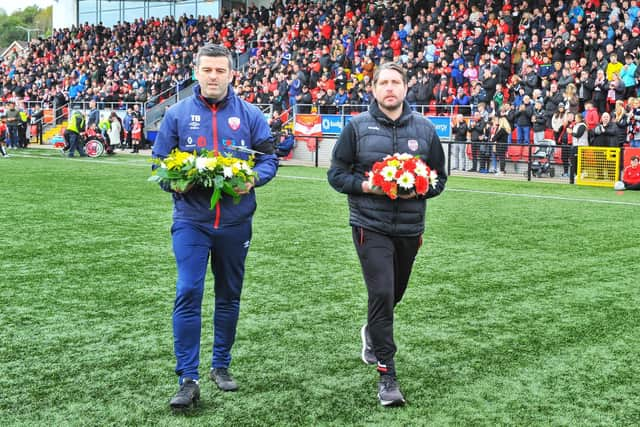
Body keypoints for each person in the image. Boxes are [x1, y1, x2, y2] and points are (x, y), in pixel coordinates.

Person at [152, 44, 278, 411]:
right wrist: (171, 182)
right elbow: (159, 165)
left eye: (220, 71)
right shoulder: (176, 115)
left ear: (231, 74)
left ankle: (220, 365)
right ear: (196, 72)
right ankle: (187, 377)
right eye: (207, 70)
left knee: (229, 295)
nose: (213, 76)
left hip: (236, 223)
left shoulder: (251, 115)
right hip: (192, 221)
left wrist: (252, 180)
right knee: (188, 290)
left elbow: (269, 160)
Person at [327, 62, 447, 407]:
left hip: (410, 228)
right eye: (383, 82)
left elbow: (439, 178)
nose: (390, 88)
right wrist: (367, 185)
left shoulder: (424, 130)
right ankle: (387, 376)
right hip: (370, 225)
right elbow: (336, 175)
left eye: (396, 82)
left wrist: (421, 189)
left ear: (406, 88)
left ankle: (372, 331)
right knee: (380, 292)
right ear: (374, 89)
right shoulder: (356, 128)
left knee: (393, 294)